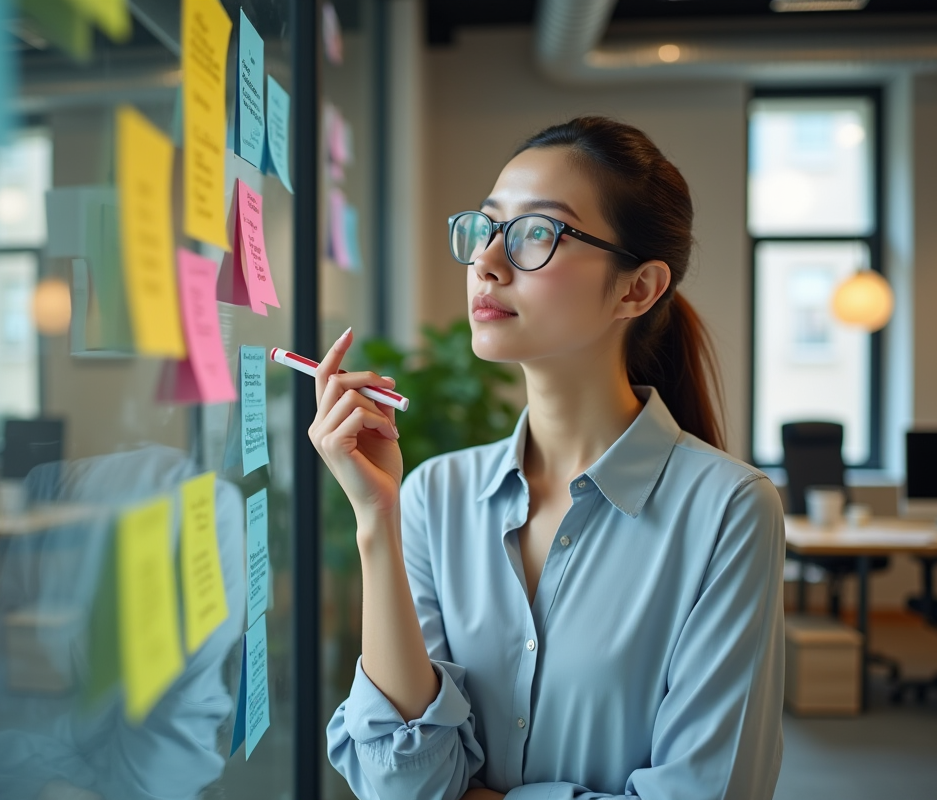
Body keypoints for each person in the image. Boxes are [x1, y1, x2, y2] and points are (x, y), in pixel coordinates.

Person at [315, 116, 785, 800]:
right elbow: (398, 783)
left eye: (537, 232)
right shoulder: (432, 494)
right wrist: (374, 523)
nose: (487, 261)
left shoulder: (728, 513)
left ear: (637, 288)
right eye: (487, 226)